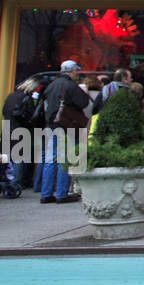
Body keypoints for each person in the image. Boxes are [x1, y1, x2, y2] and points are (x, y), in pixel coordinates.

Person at [39, 60, 88, 204]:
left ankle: (46, 193)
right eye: (75, 71)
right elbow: (83, 103)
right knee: (64, 160)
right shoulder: (71, 86)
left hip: (51, 125)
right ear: (72, 71)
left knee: (50, 159)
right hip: (65, 126)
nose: (76, 73)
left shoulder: (52, 85)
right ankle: (61, 193)